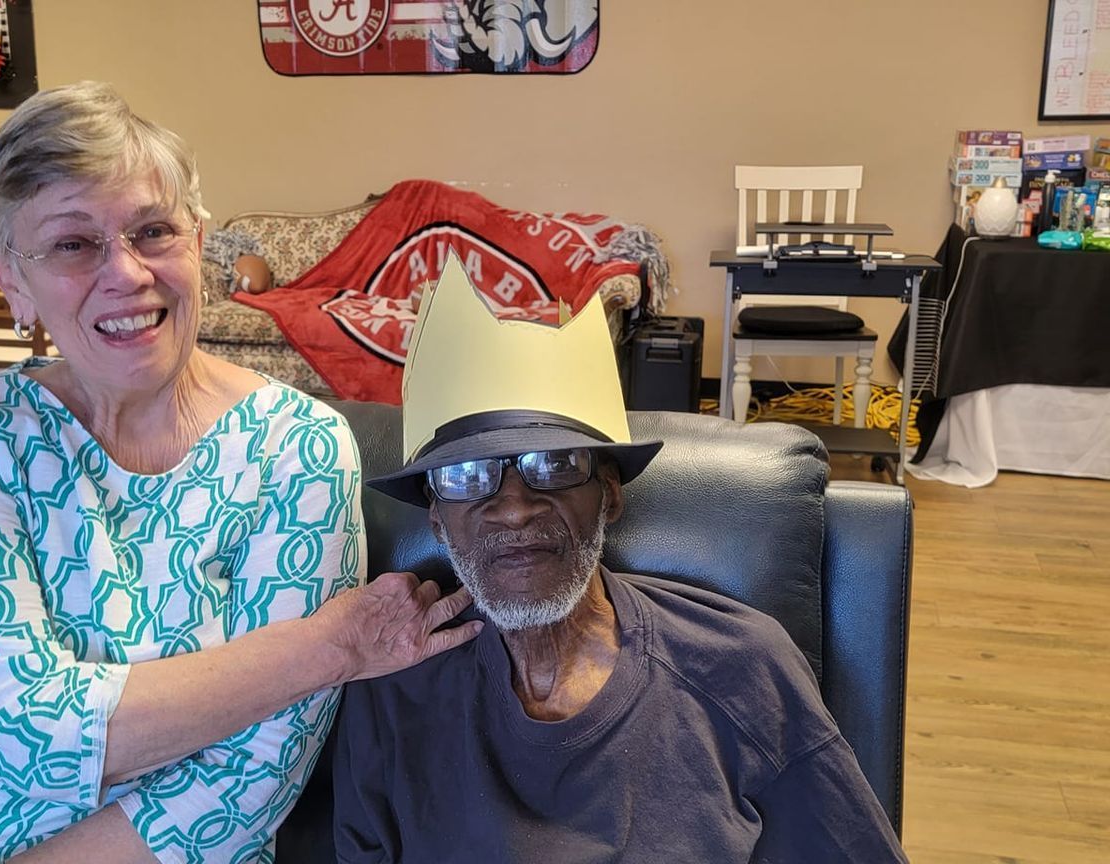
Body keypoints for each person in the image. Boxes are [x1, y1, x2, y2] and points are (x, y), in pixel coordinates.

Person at [0, 82, 479, 864]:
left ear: (197, 243)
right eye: (72, 243)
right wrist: (327, 648)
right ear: (11, 278)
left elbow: (252, 776)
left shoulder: (295, 447)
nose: (125, 273)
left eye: (153, 230)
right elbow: (18, 732)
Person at [332, 257, 907, 862]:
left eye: (554, 464)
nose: (514, 508)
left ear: (608, 495)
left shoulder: (741, 666)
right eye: (468, 476)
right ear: (436, 521)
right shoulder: (394, 680)